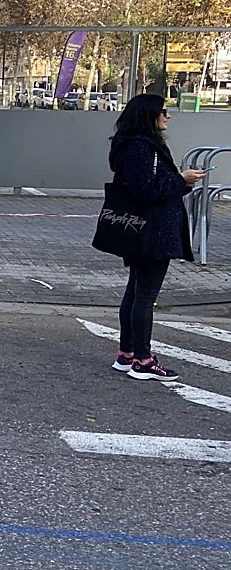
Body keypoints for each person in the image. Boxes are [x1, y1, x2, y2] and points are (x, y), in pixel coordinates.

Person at [107, 94, 204, 381]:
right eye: (163, 111)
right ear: (148, 114)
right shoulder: (141, 148)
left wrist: (178, 182)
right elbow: (144, 190)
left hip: (142, 230)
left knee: (135, 291)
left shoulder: (132, 144)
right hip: (153, 231)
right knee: (145, 296)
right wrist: (181, 180)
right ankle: (143, 359)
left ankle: (126, 354)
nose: (168, 116)